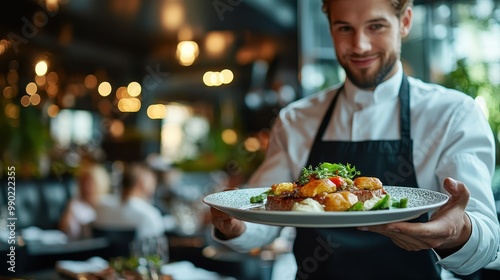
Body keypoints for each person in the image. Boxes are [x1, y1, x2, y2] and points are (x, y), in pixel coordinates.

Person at [209, 0, 500, 279]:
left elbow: (486, 243)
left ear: (405, 21)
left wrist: (456, 232)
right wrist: (235, 227)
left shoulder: (453, 114)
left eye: (376, 26)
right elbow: (264, 213)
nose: (359, 45)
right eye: (344, 28)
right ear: (330, 26)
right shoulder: (296, 119)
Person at [94, 161, 165, 239]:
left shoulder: (100, 207)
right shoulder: (149, 215)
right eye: (152, 180)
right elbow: (155, 247)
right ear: (143, 182)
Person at [59, 162, 112, 240]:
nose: (86, 186)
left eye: (90, 183)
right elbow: (63, 230)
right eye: (83, 182)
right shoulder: (74, 204)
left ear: (100, 183)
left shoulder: (107, 204)